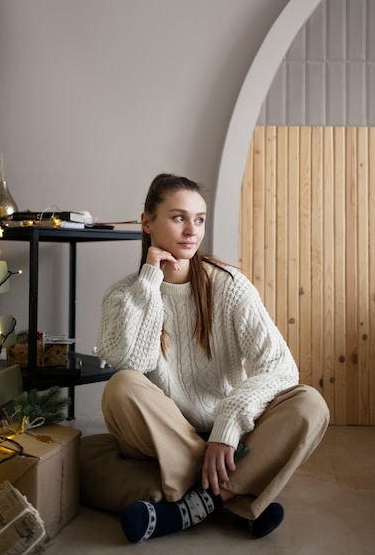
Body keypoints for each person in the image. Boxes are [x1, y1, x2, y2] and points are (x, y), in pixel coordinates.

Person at [96, 172, 329, 543]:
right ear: (147, 222)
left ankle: (192, 506)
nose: (192, 230)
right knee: (121, 386)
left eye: (199, 219)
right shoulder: (124, 294)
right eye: (178, 217)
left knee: (309, 403)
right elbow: (132, 363)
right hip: (164, 434)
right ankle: (238, 493)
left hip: (230, 433)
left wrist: (227, 425)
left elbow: (281, 366)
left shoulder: (229, 285)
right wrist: (149, 284)